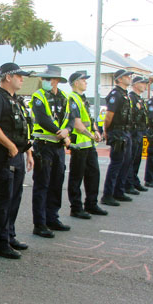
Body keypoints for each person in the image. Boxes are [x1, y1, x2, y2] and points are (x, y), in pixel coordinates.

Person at [0, 62, 34, 256]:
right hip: (3, 156)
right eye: (19, 76)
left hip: (17, 155)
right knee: (4, 199)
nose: (22, 79)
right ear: (8, 77)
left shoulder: (17, 100)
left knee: (15, 197)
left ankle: (9, 235)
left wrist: (27, 152)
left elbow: (24, 127)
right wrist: (11, 146)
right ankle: (0, 242)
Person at [29, 65, 72, 237]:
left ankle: (52, 217)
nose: (44, 81)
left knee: (56, 182)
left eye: (47, 79)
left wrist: (67, 131)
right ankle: (39, 224)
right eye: (44, 78)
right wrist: (59, 133)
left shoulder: (64, 97)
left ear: (56, 81)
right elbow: (42, 118)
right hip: (44, 145)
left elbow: (71, 117)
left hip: (58, 146)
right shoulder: (38, 95)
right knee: (42, 184)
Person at [66, 71, 107, 219]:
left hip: (89, 144)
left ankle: (91, 203)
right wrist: (91, 135)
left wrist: (96, 131)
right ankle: (76, 207)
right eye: (83, 80)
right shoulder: (72, 99)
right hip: (79, 144)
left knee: (93, 174)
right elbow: (77, 123)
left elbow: (89, 120)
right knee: (76, 177)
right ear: (75, 82)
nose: (86, 82)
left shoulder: (83, 99)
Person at [101, 69, 134, 207]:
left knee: (125, 163)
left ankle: (118, 191)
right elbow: (109, 116)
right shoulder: (116, 95)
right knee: (116, 163)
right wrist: (107, 130)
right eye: (126, 76)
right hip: (118, 132)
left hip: (126, 132)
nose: (129, 78)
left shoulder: (125, 94)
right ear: (119, 79)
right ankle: (108, 195)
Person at [125, 76, 149, 194]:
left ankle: (134, 181)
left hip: (140, 132)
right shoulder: (131, 98)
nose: (145, 85)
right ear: (135, 84)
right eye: (142, 83)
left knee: (137, 159)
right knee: (130, 159)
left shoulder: (140, 99)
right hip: (133, 132)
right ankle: (128, 184)